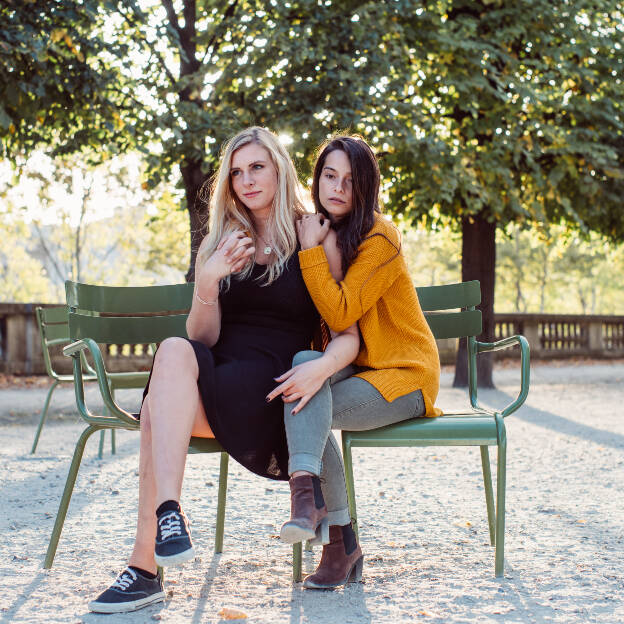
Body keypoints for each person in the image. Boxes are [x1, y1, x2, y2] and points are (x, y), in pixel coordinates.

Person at [89, 127, 360, 613]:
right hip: (221, 376)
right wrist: (209, 278)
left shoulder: (314, 234)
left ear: (279, 168)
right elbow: (203, 339)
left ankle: (144, 567)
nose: (246, 180)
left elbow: (346, 331)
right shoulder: (220, 239)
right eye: (236, 172)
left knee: (154, 411)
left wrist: (319, 370)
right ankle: (170, 514)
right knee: (173, 348)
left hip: (276, 390)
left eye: (257, 167)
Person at [267, 135, 442, 589]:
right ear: (317, 179)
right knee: (304, 369)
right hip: (358, 368)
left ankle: (325, 524)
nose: (338, 187)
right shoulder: (321, 229)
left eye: (350, 179)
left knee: (304, 401)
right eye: (329, 175)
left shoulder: (381, 237)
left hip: (404, 375)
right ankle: (329, 525)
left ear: (365, 188)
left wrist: (312, 252)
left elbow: (342, 312)